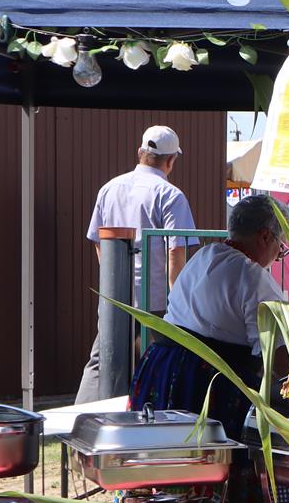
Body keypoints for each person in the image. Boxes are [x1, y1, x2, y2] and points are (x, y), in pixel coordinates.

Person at [129, 194, 286, 436]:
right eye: (280, 248)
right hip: (203, 385)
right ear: (265, 236)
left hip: (160, 369)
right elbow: (279, 358)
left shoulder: (203, 256)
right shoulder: (254, 278)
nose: (278, 257)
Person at [77, 125, 200, 403]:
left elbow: (99, 241)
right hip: (154, 301)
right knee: (156, 366)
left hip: (115, 298)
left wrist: (112, 283)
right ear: (171, 160)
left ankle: (82, 417)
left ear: (140, 153)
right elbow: (175, 253)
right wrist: (179, 303)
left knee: (102, 363)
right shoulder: (171, 195)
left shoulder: (109, 189)